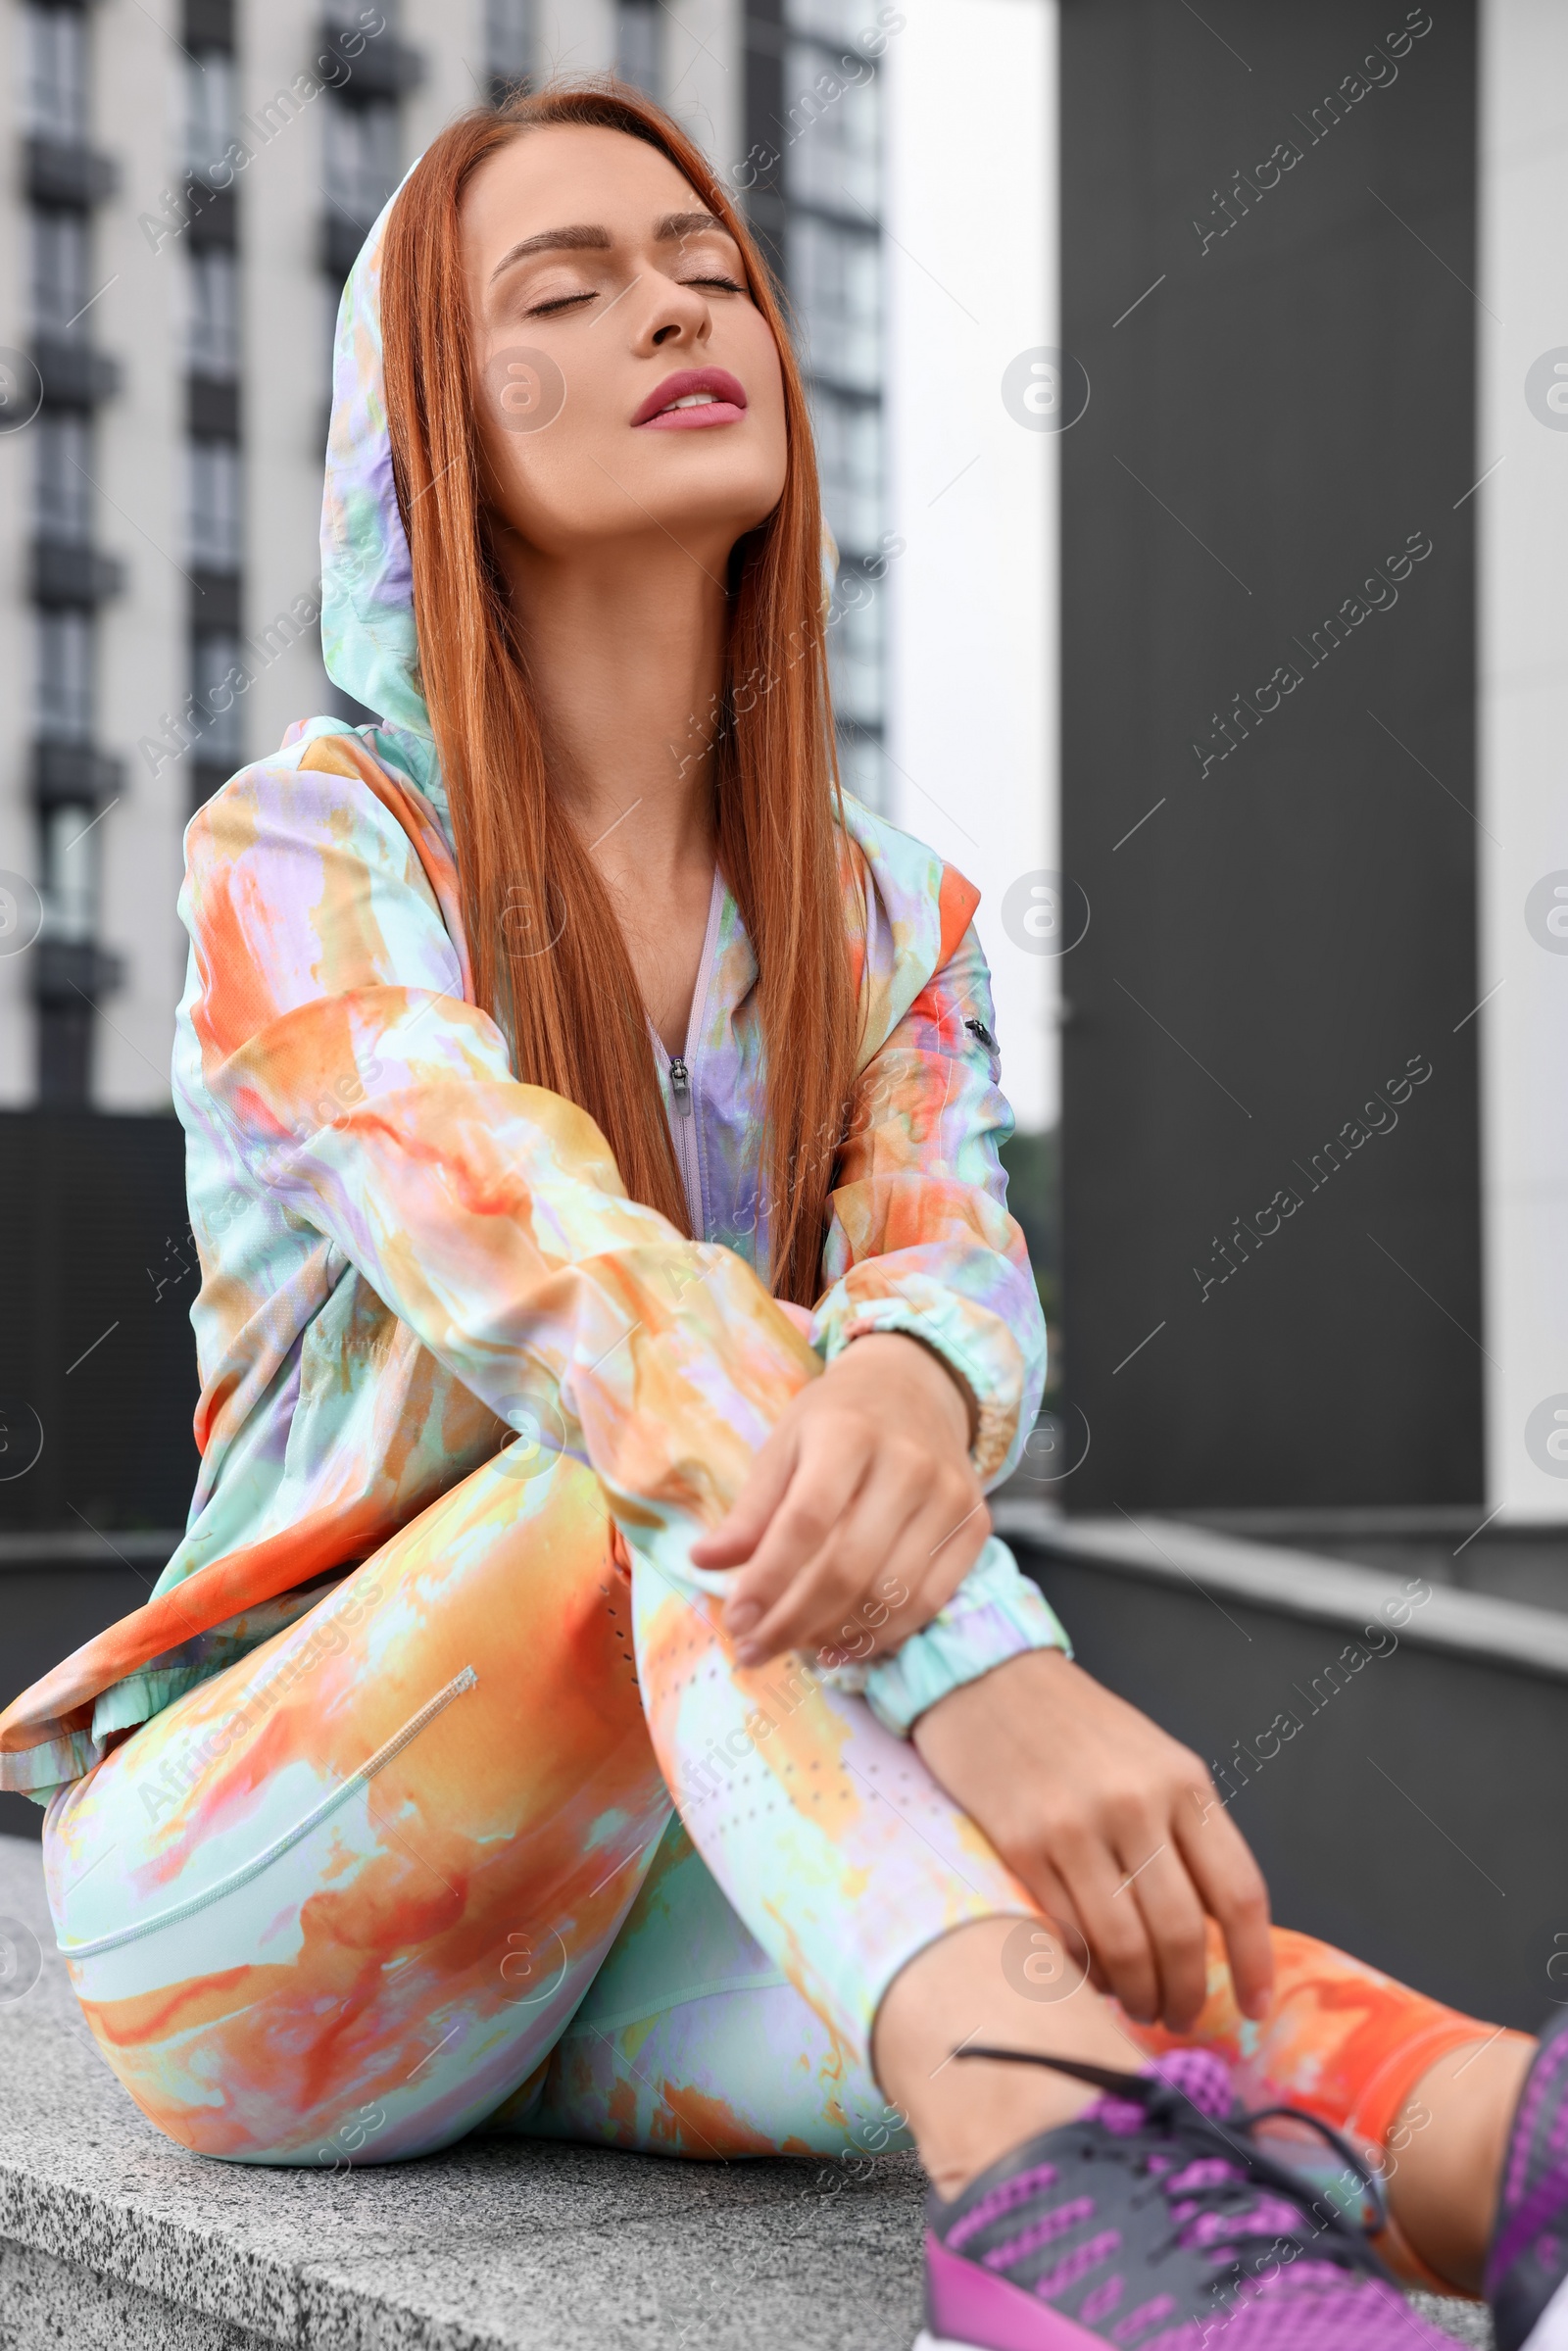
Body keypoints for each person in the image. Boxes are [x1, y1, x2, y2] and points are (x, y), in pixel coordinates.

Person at [2, 81, 1562, 2351]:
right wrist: (990, 1668)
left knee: (1046, 1932)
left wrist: (920, 1375)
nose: (675, 302)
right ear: (430, 423)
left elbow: (953, 1262)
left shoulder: (884, 911)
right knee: (688, 1437)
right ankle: (1049, 2218)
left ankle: (1494, 2158)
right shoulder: (306, 853)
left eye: (706, 267)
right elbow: (553, 1275)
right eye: (571, 284)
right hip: (266, 1898)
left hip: (619, 1913)